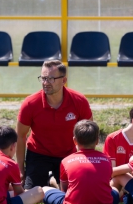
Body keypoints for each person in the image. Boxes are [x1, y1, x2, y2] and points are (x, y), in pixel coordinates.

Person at [16, 60, 93, 189]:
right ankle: (51, 181)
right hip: (38, 154)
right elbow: (20, 135)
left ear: (63, 80)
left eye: (51, 79)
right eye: (43, 78)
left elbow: (89, 134)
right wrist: (20, 169)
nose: (46, 83)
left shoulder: (79, 101)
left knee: (74, 191)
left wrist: (84, 163)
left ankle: (52, 181)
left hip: (68, 155)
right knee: (33, 193)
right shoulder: (30, 103)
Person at [43, 120, 121, 204]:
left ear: (74, 141)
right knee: (115, 191)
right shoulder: (106, 159)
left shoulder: (66, 160)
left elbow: (64, 190)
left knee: (44, 189)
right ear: (97, 140)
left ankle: (51, 180)